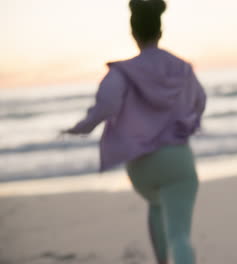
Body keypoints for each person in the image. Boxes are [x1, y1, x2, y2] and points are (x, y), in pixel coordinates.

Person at [60, 0, 207, 263]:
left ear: (133, 33)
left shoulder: (122, 72)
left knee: (155, 204)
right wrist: (189, 117)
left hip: (139, 165)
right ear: (160, 32)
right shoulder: (182, 67)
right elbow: (200, 101)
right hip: (175, 159)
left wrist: (82, 128)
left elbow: (106, 105)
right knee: (179, 235)